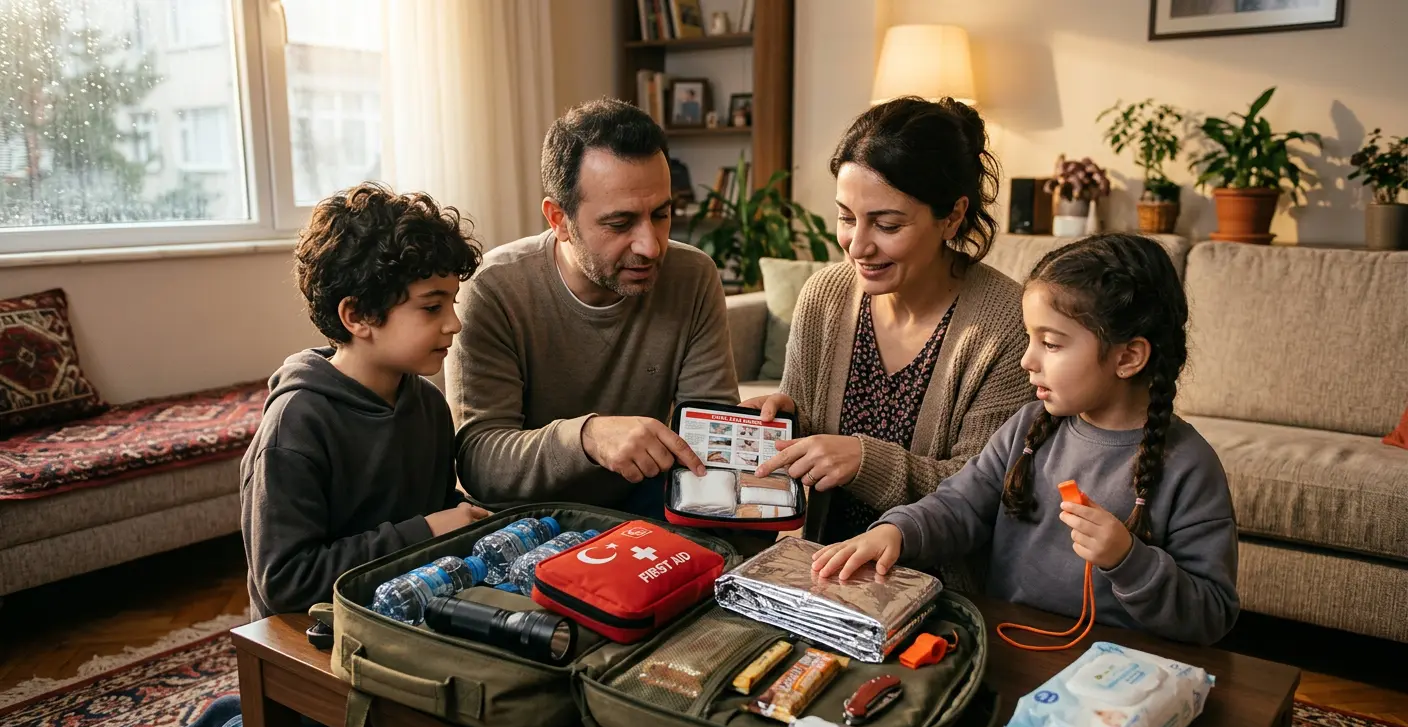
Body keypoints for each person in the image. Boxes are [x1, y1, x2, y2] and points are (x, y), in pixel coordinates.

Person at [163, 183, 488, 727]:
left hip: (393, 629)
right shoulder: (297, 425)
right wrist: (427, 531)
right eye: (432, 307)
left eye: (453, 303)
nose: (455, 324)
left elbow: (436, 520)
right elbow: (285, 581)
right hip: (310, 645)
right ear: (357, 316)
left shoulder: (428, 406)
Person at [812, 233, 1240, 646]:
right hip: (1008, 644)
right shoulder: (1028, 427)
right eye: (1030, 338)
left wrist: (1128, 560)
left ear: (1127, 357)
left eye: (1050, 344)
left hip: (1117, 673)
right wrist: (897, 532)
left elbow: (1212, 615)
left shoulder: (1189, 466)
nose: (1026, 360)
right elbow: (959, 504)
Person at [745, 96, 1032, 553]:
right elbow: (811, 444)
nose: (857, 246)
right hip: (820, 562)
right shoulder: (824, 297)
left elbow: (988, 492)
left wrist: (866, 462)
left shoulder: (1007, 323)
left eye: (887, 225)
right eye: (846, 217)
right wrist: (788, 421)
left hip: (937, 575)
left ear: (953, 217)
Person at [448, 98, 738, 513]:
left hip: (640, 499)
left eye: (661, 214)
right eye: (620, 223)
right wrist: (587, 438)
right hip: (529, 514)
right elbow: (481, 462)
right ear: (558, 219)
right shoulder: (493, 289)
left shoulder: (693, 276)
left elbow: (709, 439)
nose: (651, 246)